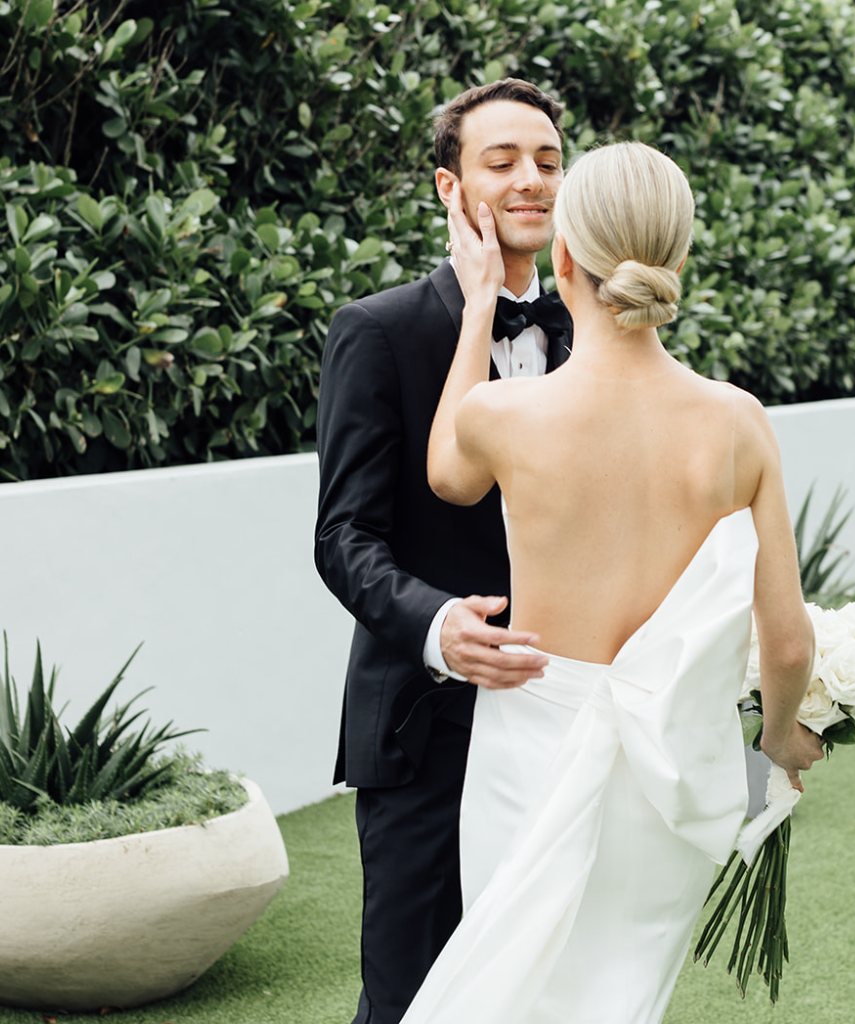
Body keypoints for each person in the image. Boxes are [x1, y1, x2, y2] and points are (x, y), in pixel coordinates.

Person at [402, 142, 825, 1023]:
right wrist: (780, 741)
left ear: (563, 259)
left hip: (528, 747)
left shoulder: (503, 414)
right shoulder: (738, 423)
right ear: (677, 260)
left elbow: (446, 474)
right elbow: (786, 641)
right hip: (670, 767)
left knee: (512, 993)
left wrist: (480, 300)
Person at [313, 79, 572, 1024]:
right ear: (449, 190)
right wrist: (437, 627)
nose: (530, 180)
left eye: (547, 160)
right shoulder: (377, 331)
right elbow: (343, 535)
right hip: (424, 731)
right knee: (412, 999)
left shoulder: (597, 339)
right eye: (500, 161)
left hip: (563, 719)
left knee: (545, 990)